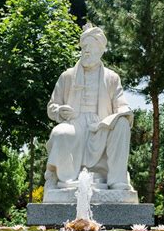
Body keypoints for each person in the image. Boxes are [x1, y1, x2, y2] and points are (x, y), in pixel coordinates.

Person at [44, 24, 134, 191]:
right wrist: (59, 111)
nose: (86, 51)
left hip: (100, 127)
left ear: (100, 50)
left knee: (122, 124)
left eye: (90, 47)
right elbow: (52, 107)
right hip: (74, 124)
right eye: (84, 47)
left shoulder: (112, 78)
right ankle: (63, 178)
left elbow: (122, 106)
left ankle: (117, 180)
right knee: (59, 132)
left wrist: (112, 119)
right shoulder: (67, 76)